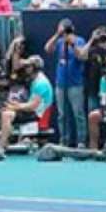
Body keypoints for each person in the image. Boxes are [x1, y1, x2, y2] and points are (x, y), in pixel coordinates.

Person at [45, 18, 87, 148]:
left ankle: (81, 141)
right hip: (61, 83)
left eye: (67, 29)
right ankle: (64, 140)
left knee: (78, 113)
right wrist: (58, 35)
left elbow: (81, 56)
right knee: (62, 114)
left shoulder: (79, 41)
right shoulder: (59, 42)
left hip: (75, 84)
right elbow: (47, 49)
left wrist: (72, 44)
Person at [0, 55, 54, 150]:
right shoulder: (36, 80)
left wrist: (15, 107)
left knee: (7, 114)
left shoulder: (41, 83)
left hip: (38, 115)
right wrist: (15, 105)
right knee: (6, 111)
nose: (26, 68)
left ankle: (2, 145)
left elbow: (32, 107)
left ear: (35, 68)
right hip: (33, 111)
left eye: (29, 66)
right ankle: (6, 140)